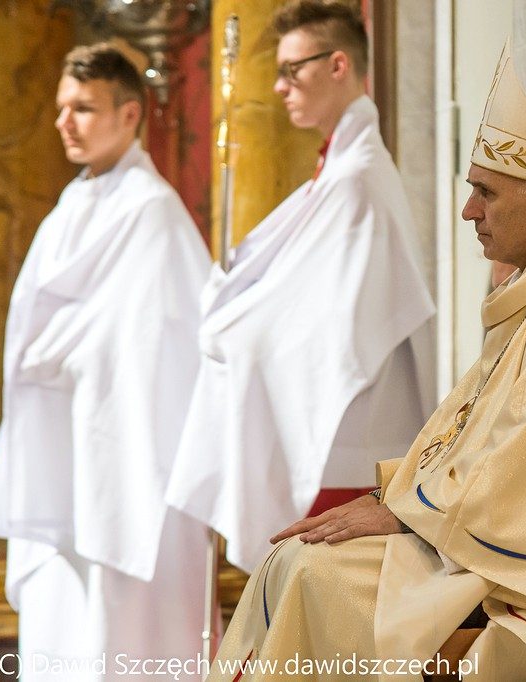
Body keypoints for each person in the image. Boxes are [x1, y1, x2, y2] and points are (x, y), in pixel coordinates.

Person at [208, 40, 526, 681]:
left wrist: (405, 512)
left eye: (485, 193)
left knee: (312, 573)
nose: (469, 211)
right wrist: (396, 498)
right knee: (294, 558)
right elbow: (494, 443)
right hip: (489, 540)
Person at [165, 0, 435, 573]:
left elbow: (332, 326)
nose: (280, 87)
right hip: (344, 439)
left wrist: (235, 330)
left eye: (293, 69)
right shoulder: (339, 170)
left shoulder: (357, 180)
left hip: (343, 440)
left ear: (338, 65)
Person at [0, 44, 211, 677]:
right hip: (61, 445)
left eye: (84, 108)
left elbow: (156, 341)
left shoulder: (153, 213)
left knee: (122, 639)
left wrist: (66, 351)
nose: (64, 122)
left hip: (127, 459)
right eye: (63, 107)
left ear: (130, 115)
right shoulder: (70, 206)